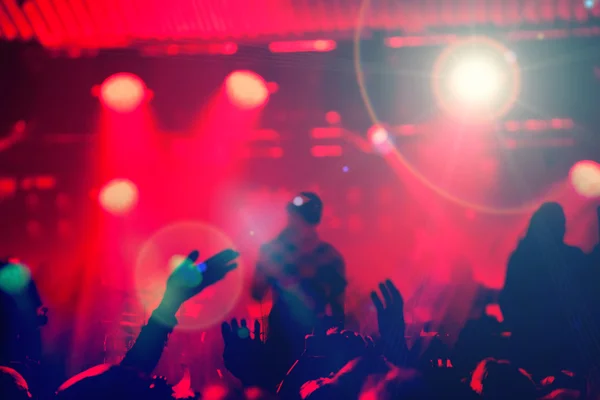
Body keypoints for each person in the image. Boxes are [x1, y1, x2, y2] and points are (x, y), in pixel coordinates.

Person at [251, 192, 346, 380]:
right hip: (286, 336)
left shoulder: (328, 256)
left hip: (313, 339)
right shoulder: (328, 255)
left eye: (293, 215)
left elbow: (338, 309)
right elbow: (257, 292)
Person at [499, 202, 591, 376]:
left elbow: (507, 299)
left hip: (529, 347)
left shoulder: (520, 258)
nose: (563, 228)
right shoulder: (572, 258)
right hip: (561, 347)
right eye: (560, 223)